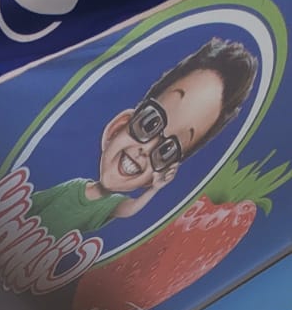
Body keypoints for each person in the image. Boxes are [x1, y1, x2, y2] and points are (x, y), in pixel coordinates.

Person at [28, 37, 258, 241]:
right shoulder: (73, 186)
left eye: (166, 150)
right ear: (118, 126)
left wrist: (154, 190)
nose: (146, 149)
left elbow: (130, 209)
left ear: (158, 173)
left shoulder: (110, 205)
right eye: (149, 124)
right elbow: (29, 206)